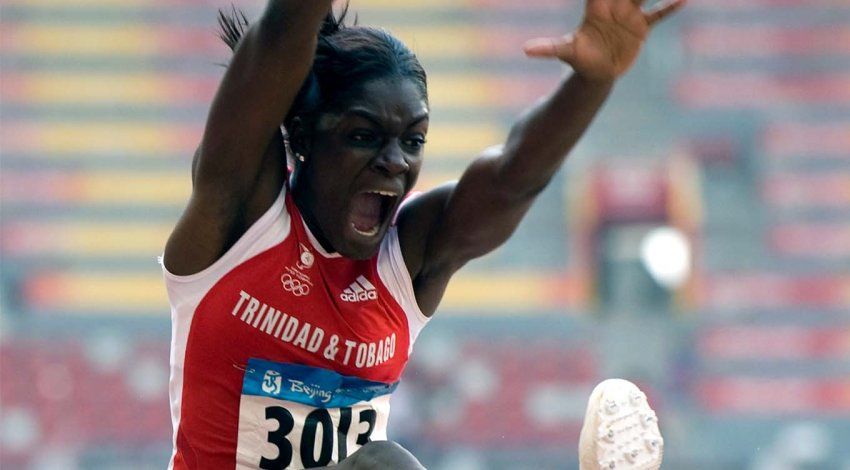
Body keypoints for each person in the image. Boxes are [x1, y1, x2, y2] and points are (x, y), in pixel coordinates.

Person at [160, 0, 684, 468]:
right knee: (383, 465)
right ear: (302, 136)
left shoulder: (407, 257)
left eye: (412, 141)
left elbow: (512, 180)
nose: (393, 162)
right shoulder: (238, 223)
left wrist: (591, 81)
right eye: (364, 137)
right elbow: (277, 39)